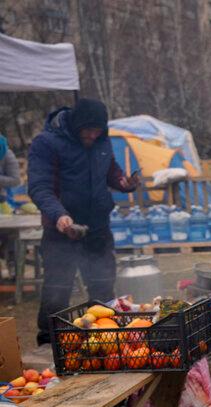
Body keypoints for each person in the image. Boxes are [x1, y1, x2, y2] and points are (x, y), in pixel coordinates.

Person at [27, 98, 139, 345]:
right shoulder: (46, 143)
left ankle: (103, 338)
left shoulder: (102, 140)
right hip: (61, 229)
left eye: (97, 130)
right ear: (76, 125)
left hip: (97, 227)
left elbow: (110, 171)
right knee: (58, 288)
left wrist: (123, 183)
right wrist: (59, 215)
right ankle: (50, 341)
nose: (92, 135)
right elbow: (39, 187)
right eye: (88, 130)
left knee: (103, 286)